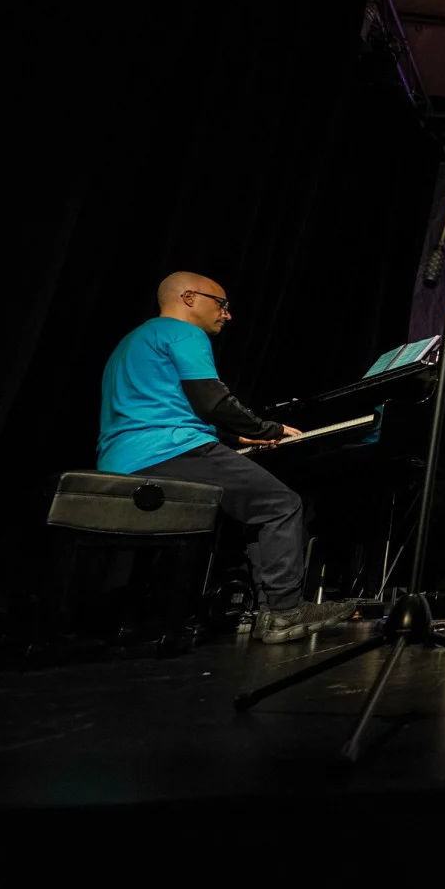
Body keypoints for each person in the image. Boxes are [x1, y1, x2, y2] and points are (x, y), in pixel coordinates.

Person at [96, 272, 354, 644]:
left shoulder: (132, 341)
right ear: (188, 297)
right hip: (171, 450)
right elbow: (212, 399)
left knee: (252, 507)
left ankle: (262, 608)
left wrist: (234, 436)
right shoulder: (184, 332)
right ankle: (283, 612)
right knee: (281, 504)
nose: (227, 315)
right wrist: (269, 429)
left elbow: (158, 406)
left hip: (121, 460)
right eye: (221, 304)